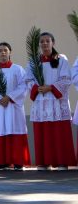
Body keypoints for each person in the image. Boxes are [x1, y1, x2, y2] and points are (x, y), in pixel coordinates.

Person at [25, 32, 76, 169]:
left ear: (53, 43)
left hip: (56, 102)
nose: (45, 44)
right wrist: (37, 88)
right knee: (43, 133)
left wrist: (51, 88)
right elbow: (28, 79)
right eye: (42, 41)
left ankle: (61, 162)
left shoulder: (61, 60)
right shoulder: (33, 62)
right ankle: (43, 161)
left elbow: (66, 79)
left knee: (58, 133)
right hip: (41, 101)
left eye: (47, 41)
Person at [0, 42, 30, 170]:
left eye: (5, 50)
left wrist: (9, 97)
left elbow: (23, 86)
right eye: (0, 50)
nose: (3, 53)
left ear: (10, 52)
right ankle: (1, 161)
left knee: (15, 129)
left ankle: (18, 161)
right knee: (0, 130)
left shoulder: (18, 69)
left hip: (13, 106)